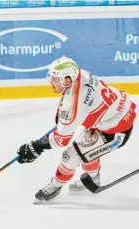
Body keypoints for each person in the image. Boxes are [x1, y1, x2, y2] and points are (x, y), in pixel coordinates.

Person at [16, 56, 136, 203]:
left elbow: (61, 140)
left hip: (116, 131)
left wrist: (37, 147)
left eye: (54, 79)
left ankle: (55, 186)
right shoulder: (78, 73)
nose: (50, 82)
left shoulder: (73, 103)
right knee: (84, 150)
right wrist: (64, 119)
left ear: (66, 80)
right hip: (114, 112)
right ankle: (93, 177)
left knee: (70, 156)